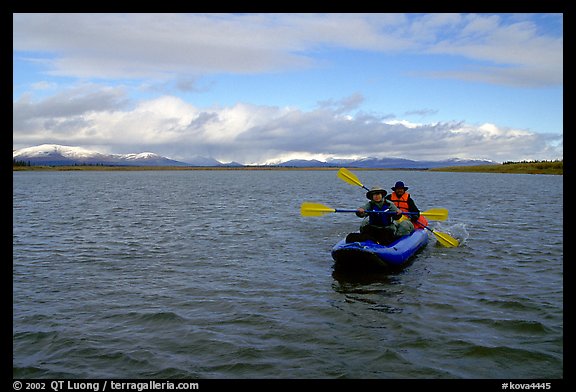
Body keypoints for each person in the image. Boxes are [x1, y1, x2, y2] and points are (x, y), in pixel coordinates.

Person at [348, 186, 414, 245]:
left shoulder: (389, 204)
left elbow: (396, 216)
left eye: (378, 194)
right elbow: (363, 211)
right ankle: (370, 241)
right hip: (373, 227)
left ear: (382, 195)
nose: (376, 196)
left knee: (385, 238)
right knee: (351, 236)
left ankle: (376, 242)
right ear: (372, 197)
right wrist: (360, 212)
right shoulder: (370, 204)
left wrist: (398, 213)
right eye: (374, 195)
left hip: (386, 228)